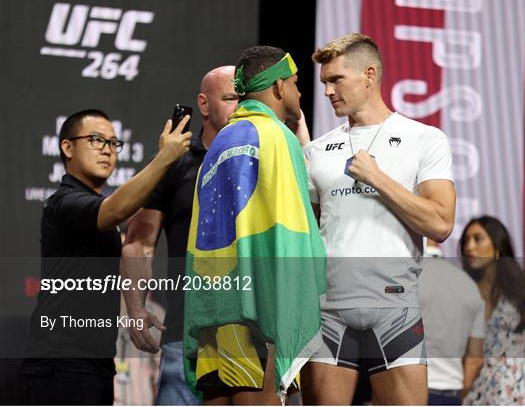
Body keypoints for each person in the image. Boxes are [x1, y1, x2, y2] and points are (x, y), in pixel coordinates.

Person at [301, 33, 456, 405]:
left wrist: (377, 178)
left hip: (395, 310)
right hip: (327, 313)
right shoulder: (316, 151)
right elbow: (305, 236)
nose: (327, 91)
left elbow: (440, 223)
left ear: (369, 75)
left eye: (336, 79)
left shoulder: (424, 139)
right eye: (324, 82)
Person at [183, 46, 326, 405]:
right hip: (260, 308)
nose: (298, 93)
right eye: (295, 84)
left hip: (216, 308)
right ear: (278, 87)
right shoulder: (277, 136)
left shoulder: (221, 142)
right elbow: (289, 227)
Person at [22, 109, 192, 405]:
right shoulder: (64, 202)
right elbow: (117, 209)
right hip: (60, 366)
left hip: (95, 366)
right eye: (96, 140)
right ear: (67, 147)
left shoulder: (96, 207)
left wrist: (136, 308)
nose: (107, 150)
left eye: (114, 143)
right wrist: (164, 158)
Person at [121, 65, 239, 405]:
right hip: (185, 333)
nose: (240, 107)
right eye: (230, 98)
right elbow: (140, 241)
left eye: (244, 99)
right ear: (204, 105)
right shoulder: (174, 163)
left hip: (252, 333)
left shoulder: (261, 160)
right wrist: (135, 308)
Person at [459, 216, 525, 405]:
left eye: (478, 239)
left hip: (511, 389)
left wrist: (524, 363)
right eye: (466, 240)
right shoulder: (463, 290)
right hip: (471, 389)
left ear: (497, 245)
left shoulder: (524, 287)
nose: (469, 247)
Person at [418, 239, 484, 405]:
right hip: (451, 395)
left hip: (406, 391)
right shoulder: (470, 286)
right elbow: (475, 360)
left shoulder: (404, 276)